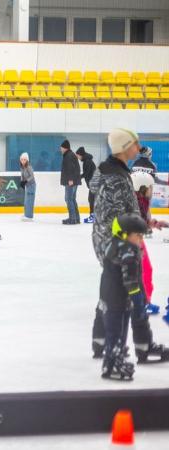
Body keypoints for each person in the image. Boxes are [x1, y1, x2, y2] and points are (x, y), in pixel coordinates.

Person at [90, 128, 169, 364]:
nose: (138, 147)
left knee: (114, 290)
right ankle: (141, 346)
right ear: (125, 147)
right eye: (135, 143)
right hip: (120, 242)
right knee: (133, 292)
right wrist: (133, 235)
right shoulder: (115, 177)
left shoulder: (114, 171)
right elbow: (114, 216)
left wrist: (148, 223)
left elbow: (125, 211)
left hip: (118, 238)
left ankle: (101, 341)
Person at [97, 214, 146, 381]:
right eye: (138, 235)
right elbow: (131, 280)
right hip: (117, 298)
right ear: (125, 234)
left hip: (109, 295)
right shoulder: (128, 251)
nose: (141, 239)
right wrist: (138, 301)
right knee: (116, 332)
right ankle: (110, 365)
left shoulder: (114, 243)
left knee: (116, 332)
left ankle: (114, 358)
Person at [131, 172, 157, 316]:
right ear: (141, 187)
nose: (152, 190)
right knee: (144, 270)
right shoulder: (136, 203)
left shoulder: (139, 201)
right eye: (149, 187)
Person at [131, 146, 157, 235]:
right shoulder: (152, 165)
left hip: (135, 189)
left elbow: (132, 176)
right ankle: (148, 228)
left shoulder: (135, 163)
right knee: (147, 208)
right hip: (146, 189)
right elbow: (152, 180)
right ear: (149, 154)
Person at [60, 140, 81, 225]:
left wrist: (70, 179)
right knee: (72, 199)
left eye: (61, 148)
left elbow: (70, 168)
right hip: (74, 181)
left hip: (71, 181)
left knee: (68, 199)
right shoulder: (70, 155)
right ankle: (76, 218)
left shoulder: (68, 156)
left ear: (65, 148)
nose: (60, 149)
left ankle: (72, 219)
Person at [76, 147, 96, 224]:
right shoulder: (88, 160)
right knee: (91, 200)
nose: (77, 157)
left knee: (92, 200)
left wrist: (78, 177)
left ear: (81, 155)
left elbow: (86, 173)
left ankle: (93, 217)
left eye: (78, 155)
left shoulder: (87, 161)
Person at [19, 153, 36, 221]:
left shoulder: (29, 167)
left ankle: (29, 216)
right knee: (26, 201)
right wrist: (22, 182)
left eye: (24, 160)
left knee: (30, 201)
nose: (23, 161)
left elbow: (32, 176)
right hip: (27, 186)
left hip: (31, 185)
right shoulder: (22, 167)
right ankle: (26, 214)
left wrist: (26, 181)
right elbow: (22, 176)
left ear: (27, 160)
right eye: (22, 159)